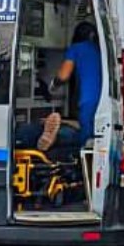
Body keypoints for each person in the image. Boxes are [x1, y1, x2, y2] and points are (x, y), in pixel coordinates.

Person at [16, 22, 102, 152]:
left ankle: (55, 138)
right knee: (92, 136)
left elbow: (63, 75)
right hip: (103, 100)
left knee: (84, 139)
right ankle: (55, 134)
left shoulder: (76, 48)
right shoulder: (100, 50)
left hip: (88, 100)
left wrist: (53, 85)